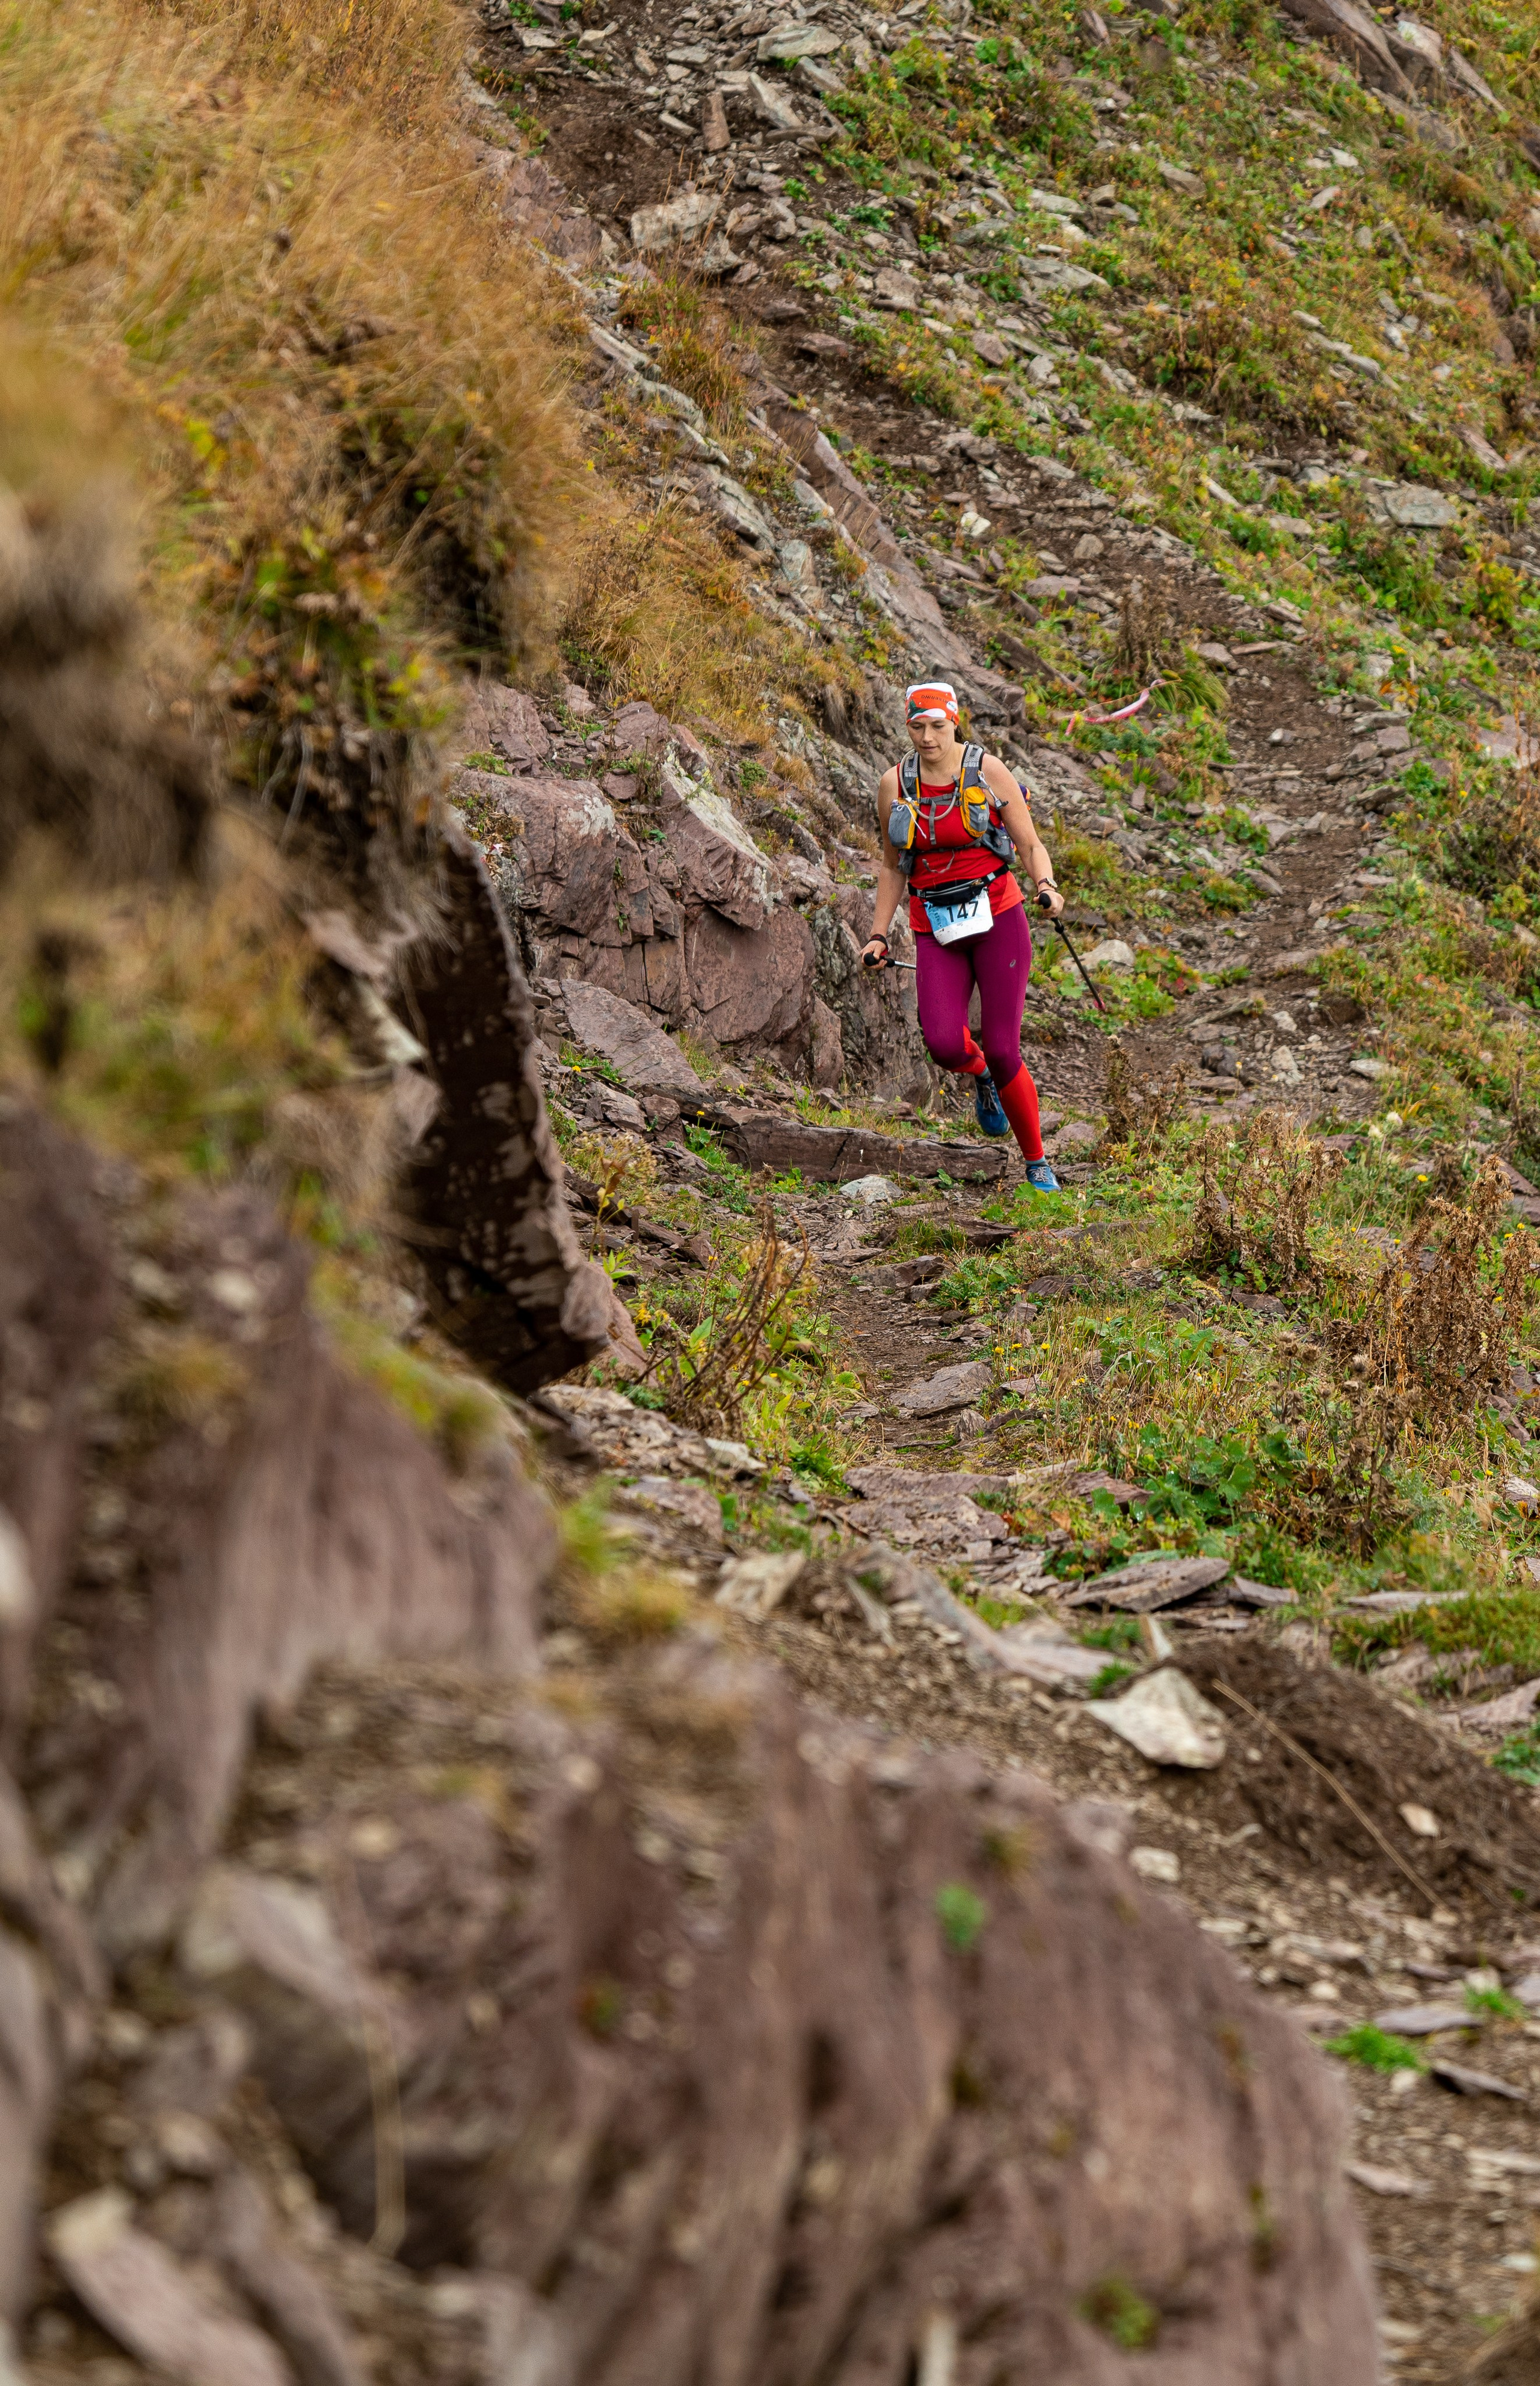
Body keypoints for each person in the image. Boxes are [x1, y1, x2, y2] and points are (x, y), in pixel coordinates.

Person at [860, 681, 1063, 1193]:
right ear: (907, 726)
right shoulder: (894, 784)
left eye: (937, 726)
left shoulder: (988, 771)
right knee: (945, 1045)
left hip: (999, 918)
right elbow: (892, 867)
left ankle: (1037, 1163)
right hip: (935, 926)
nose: (927, 737)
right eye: (917, 727)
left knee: (1004, 1047)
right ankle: (983, 1076)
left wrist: (1046, 885)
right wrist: (879, 934)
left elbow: (1030, 844)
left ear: (955, 722)